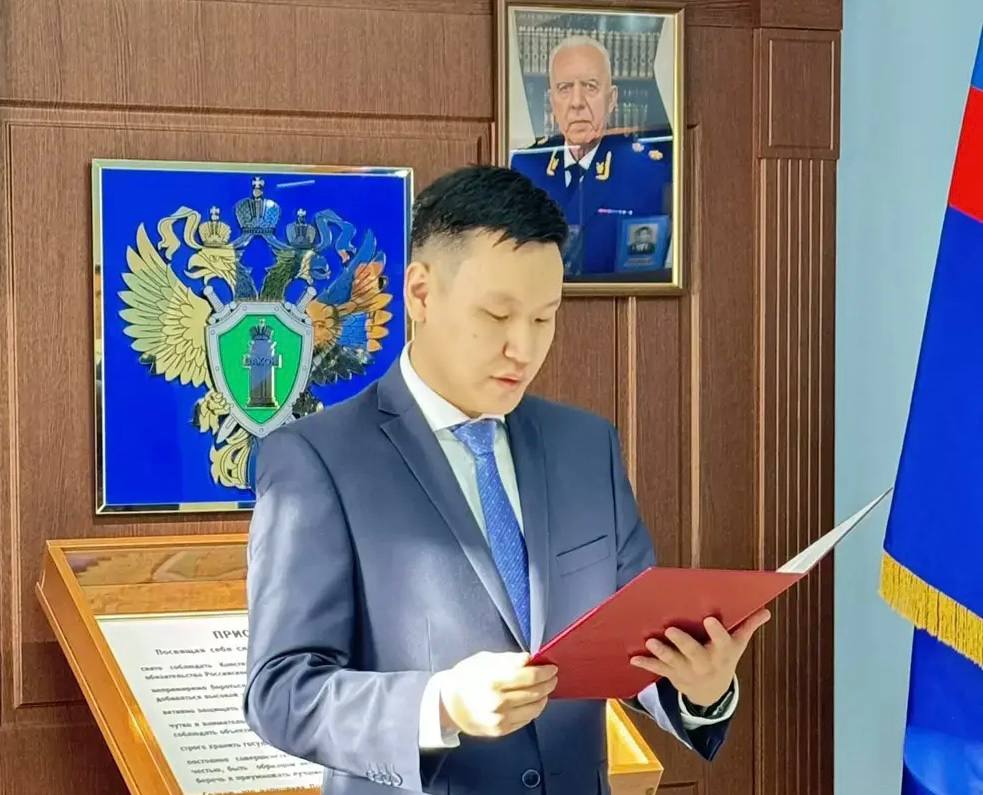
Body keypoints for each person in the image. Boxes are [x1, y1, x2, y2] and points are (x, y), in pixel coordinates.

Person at [243, 166, 769, 795]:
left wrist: (700, 688)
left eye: (544, 319)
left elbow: (632, 644)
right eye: (497, 315)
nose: (524, 347)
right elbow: (280, 691)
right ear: (420, 293)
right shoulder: (315, 460)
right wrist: (440, 704)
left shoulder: (587, 446)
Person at [509, 35, 672, 277]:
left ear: (612, 99)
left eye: (590, 87)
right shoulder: (525, 168)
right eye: (565, 88)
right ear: (552, 102)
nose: (577, 102)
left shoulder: (648, 172)